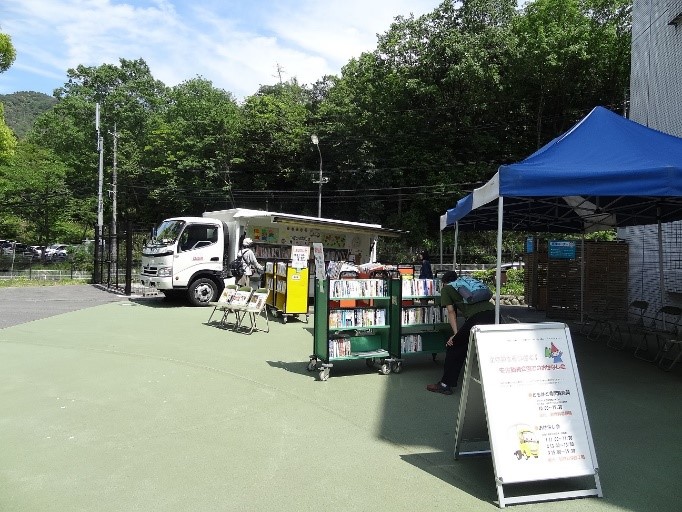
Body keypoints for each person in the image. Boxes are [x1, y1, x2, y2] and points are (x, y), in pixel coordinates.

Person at [426, 270, 495, 395]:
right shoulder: (465, 283)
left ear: (444, 283)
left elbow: (451, 312)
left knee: (454, 345)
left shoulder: (447, 289)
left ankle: (445, 384)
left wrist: (455, 335)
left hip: (478, 317)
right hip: (494, 314)